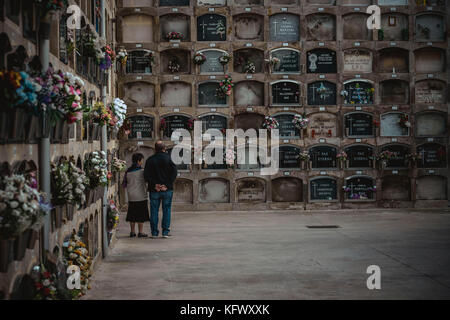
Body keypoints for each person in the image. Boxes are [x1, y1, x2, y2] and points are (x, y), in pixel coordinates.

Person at [144, 141, 177, 238]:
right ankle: (165, 232)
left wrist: (155, 185)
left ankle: (154, 233)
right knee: (166, 210)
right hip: (167, 190)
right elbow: (174, 173)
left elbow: (146, 175)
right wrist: (166, 184)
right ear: (164, 149)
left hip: (154, 190)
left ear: (155, 149)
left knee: (154, 211)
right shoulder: (169, 159)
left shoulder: (150, 160)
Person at [122, 153, 149, 238]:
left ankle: (132, 232)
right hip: (141, 195)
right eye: (141, 160)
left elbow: (124, 184)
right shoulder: (142, 171)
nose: (142, 162)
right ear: (138, 161)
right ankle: (140, 232)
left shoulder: (127, 171)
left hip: (131, 195)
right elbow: (147, 181)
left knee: (132, 214)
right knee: (141, 214)